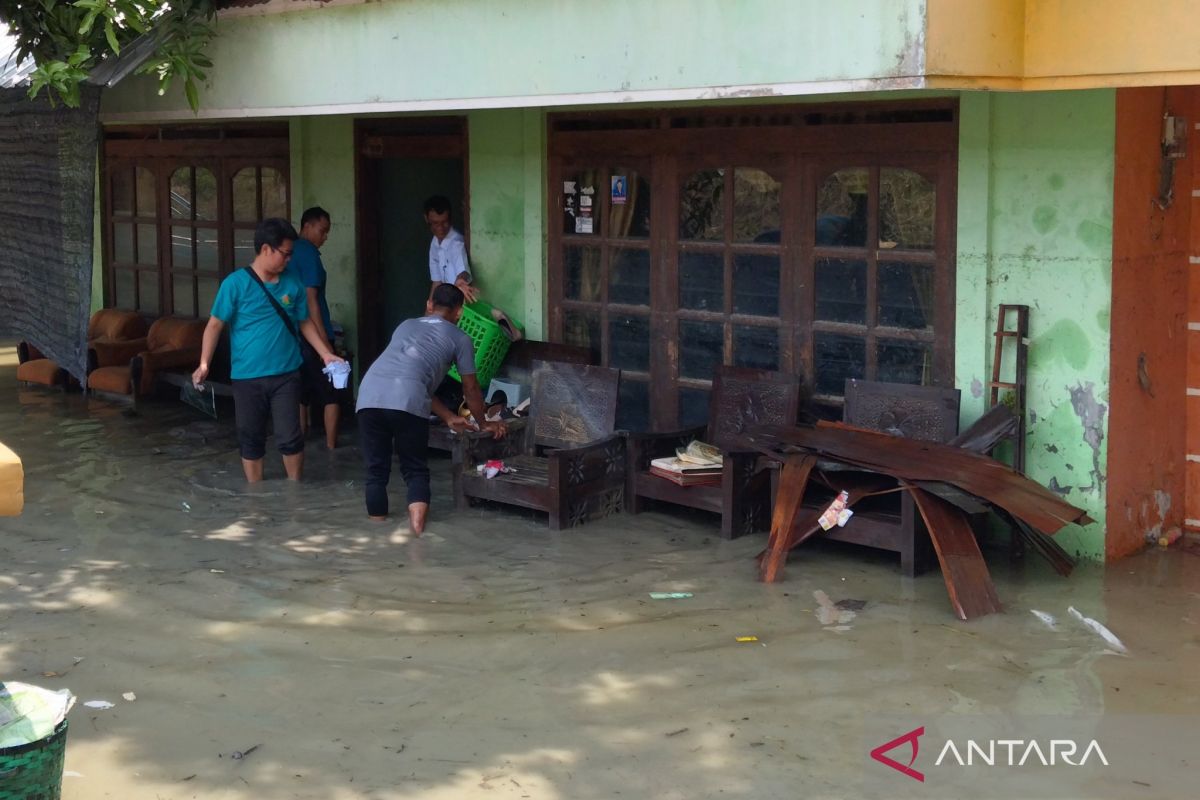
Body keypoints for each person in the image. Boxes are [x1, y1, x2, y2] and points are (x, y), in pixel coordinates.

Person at [192, 218, 343, 483]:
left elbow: (304, 322)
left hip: (286, 374)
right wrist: (204, 363)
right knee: (250, 436)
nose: (288, 260)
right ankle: (256, 497)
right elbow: (215, 325)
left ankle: (294, 491)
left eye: (290, 254)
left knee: (290, 436)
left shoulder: (292, 283)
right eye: (285, 254)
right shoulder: (235, 284)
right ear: (265, 249)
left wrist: (325, 352)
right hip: (246, 377)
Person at [356, 284, 506, 533]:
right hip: (407, 400)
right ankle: (417, 539)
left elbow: (413, 379)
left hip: (368, 395)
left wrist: (447, 416)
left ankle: (377, 530)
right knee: (414, 469)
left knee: (375, 471)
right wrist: (483, 422)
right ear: (459, 313)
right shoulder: (461, 339)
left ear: (429, 304)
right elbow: (471, 388)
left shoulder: (405, 325)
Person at [290, 206, 341, 450]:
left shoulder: (290, 251)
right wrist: (325, 343)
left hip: (293, 334)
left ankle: (299, 440)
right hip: (313, 334)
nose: (325, 237)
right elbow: (312, 301)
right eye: (322, 231)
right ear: (307, 226)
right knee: (331, 393)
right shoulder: (309, 254)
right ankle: (332, 447)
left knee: (301, 392)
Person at [424, 195, 479, 303]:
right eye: (435, 223)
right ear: (426, 219)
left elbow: (463, 272)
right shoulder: (435, 243)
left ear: (450, 219)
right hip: (446, 304)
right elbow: (436, 282)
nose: (440, 228)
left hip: (458, 306)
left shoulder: (456, 243)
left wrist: (460, 280)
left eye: (444, 222)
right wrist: (429, 313)